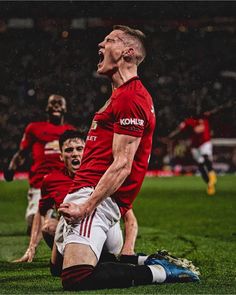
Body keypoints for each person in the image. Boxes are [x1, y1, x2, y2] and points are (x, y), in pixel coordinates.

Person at [56, 25, 199, 291]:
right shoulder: (122, 95)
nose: (100, 44)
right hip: (93, 193)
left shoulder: (131, 97)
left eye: (109, 40)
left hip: (95, 198)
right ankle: (143, 260)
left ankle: (158, 271)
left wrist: (86, 206)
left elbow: (122, 164)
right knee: (60, 265)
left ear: (128, 52)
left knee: (75, 277)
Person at [13, 130, 139, 263]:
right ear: (61, 156)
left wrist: (128, 249)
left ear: (87, 152)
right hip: (74, 230)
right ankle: (74, 259)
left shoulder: (104, 176)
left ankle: (92, 258)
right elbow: (41, 211)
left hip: (107, 234)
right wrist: (31, 247)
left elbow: (129, 217)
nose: (75, 154)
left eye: (80, 149)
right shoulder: (51, 180)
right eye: (69, 150)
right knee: (49, 226)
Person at [4, 94, 75, 233]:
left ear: (65, 109)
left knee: (65, 220)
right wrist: (11, 168)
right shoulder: (34, 128)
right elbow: (22, 152)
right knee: (34, 222)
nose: (56, 105)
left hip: (63, 183)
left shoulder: (71, 131)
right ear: (46, 107)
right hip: (39, 183)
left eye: (60, 103)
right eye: (52, 103)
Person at [167, 101, 235, 195]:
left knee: (206, 157)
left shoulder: (205, 119)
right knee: (200, 165)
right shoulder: (189, 122)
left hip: (205, 142)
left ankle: (212, 175)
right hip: (195, 146)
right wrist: (170, 136)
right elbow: (180, 130)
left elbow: (214, 116)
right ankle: (209, 184)